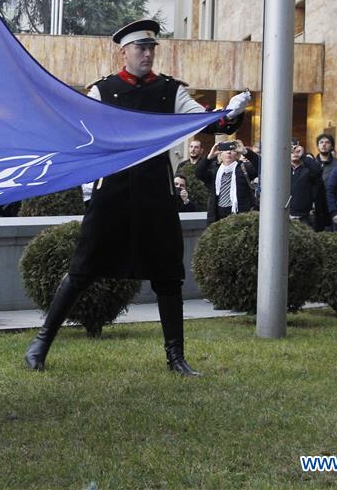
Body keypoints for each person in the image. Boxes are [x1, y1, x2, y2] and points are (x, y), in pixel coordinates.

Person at [23, 19, 250, 377]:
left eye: (151, 48)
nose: (147, 53)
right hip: (110, 192)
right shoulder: (103, 90)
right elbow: (81, 132)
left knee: (168, 276)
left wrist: (230, 115)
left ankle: (176, 357)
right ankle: (40, 343)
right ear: (123, 51)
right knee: (81, 270)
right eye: (140, 48)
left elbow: (202, 123)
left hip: (154, 195)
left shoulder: (169, 91)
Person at [195, 140, 257, 223]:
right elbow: (199, 173)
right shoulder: (215, 171)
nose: (228, 152)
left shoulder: (244, 168)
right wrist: (209, 157)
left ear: (237, 154)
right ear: (220, 154)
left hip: (239, 217)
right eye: (225, 150)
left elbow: (261, 166)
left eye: (232, 150)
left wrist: (245, 152)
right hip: (217, 217)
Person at [313, 133, 337, 231]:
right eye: (321, 142)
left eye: (327, 142)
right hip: (315, 205)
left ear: (332, 146)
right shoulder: (311, 163)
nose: (324, 145)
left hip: (332, 205)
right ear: (317, 146)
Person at [288, 144, 321, 226]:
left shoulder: (307, 169)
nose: (294, 153)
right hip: (285, 214)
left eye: (297, 151)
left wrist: (302, 156)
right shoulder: (282, 169)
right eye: (292, 152)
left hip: (304, 216)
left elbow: (317, 171)